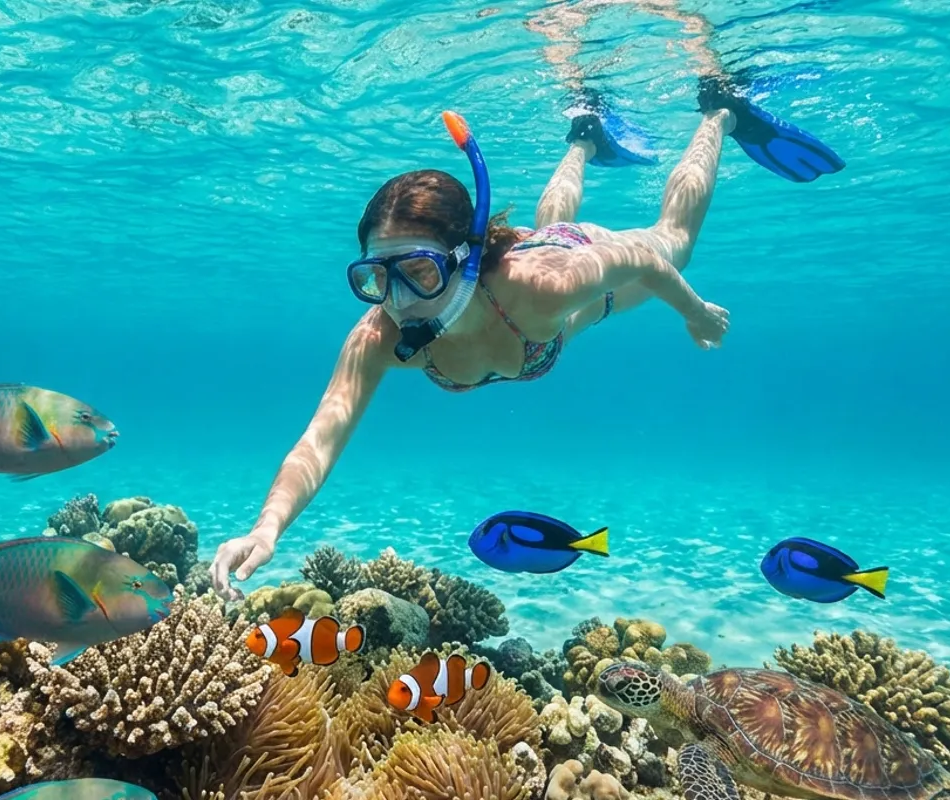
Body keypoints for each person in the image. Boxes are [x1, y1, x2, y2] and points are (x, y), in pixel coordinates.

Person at [209, 5, 845, 601]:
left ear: (465, 256)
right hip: (535, 259)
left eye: (420, 272)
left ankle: (719, 112)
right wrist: (267, 530)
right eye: (378, 277)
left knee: (674, 244)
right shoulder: (378, 336)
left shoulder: (544, 288)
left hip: (573, 259)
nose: (398, 301)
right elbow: (320, 438)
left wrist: (695, 311)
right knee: (550, 218)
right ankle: (584, 136)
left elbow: (644, 262)